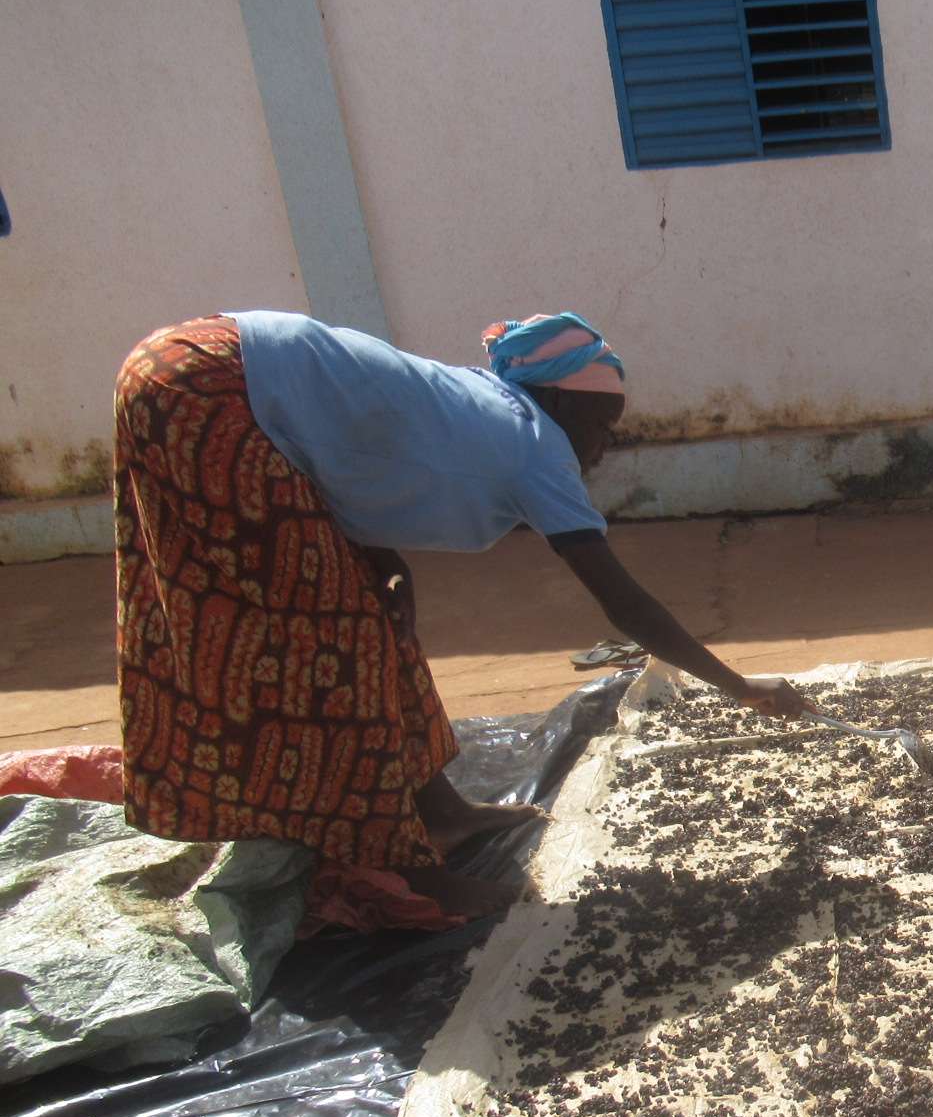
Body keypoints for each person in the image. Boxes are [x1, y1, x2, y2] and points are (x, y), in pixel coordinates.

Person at [113, 310, 813, 918]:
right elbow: (621, 599)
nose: (603, 449)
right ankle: (407, 874)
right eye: (602, 427)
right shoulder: (534, 445)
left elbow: (344, 448)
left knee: (365, 613)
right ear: (560, 401)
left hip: (201, 365)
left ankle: (442, 814)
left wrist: (376, 549)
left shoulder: (491, 407)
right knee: (324, 649)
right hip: (204, 391)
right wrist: (738, 685)